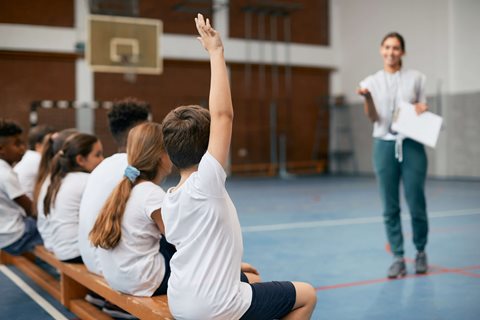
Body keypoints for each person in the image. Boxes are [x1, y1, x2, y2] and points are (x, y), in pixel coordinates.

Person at [161, 14, 317, 320]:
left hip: (180, 302)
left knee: (255, 280)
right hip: (213, 306)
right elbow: (222, 116)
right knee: (307, 294)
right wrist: (216, 53)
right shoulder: (205, 183)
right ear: (207, 150)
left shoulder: (169, 198)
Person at [357, 32, 429, 278]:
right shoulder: (371, 81)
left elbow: (422, 106)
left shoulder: (417, 78)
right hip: (384, 146)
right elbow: (373, 117)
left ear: (403, 52)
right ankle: (398, 257)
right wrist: (367, 98)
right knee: (390, 206)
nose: (391, 52)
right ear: (381, 50)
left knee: (416, 201)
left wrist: (422, 108)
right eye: (387, 47)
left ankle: (420, 251)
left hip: (412, 145)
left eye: (396, 48)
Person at [89, 122, 174, 298]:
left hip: (117, 278)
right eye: (169, 149)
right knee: (182, 248)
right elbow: (178, 240)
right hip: (143, 281)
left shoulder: (127, 188)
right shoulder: (152, 194)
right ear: (160, 156)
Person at [78, 98, 150, 276]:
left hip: (90, 259)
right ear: (139, 133)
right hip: (110, 268)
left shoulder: (102, 166)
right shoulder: (135, 169)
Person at [36, 133, 103, 263]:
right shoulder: (85, 180)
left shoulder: (56, 178)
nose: (103, 159)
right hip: (76, 252)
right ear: (80, 160)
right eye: (97, 155)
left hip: (61, 248)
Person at [0, 119, 43, 255]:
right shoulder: (5, 173)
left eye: (23, 143)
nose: (23, 148)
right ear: (1, 150)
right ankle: (54, 273)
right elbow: (30, 209)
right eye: (17, 144)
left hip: (4, 234)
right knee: (53, 232)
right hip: (14, 236)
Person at [14, 124, 55, 200]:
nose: (55, 147)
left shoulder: (29, 157)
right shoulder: (37, 159)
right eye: (51, 143)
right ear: (38, 146)